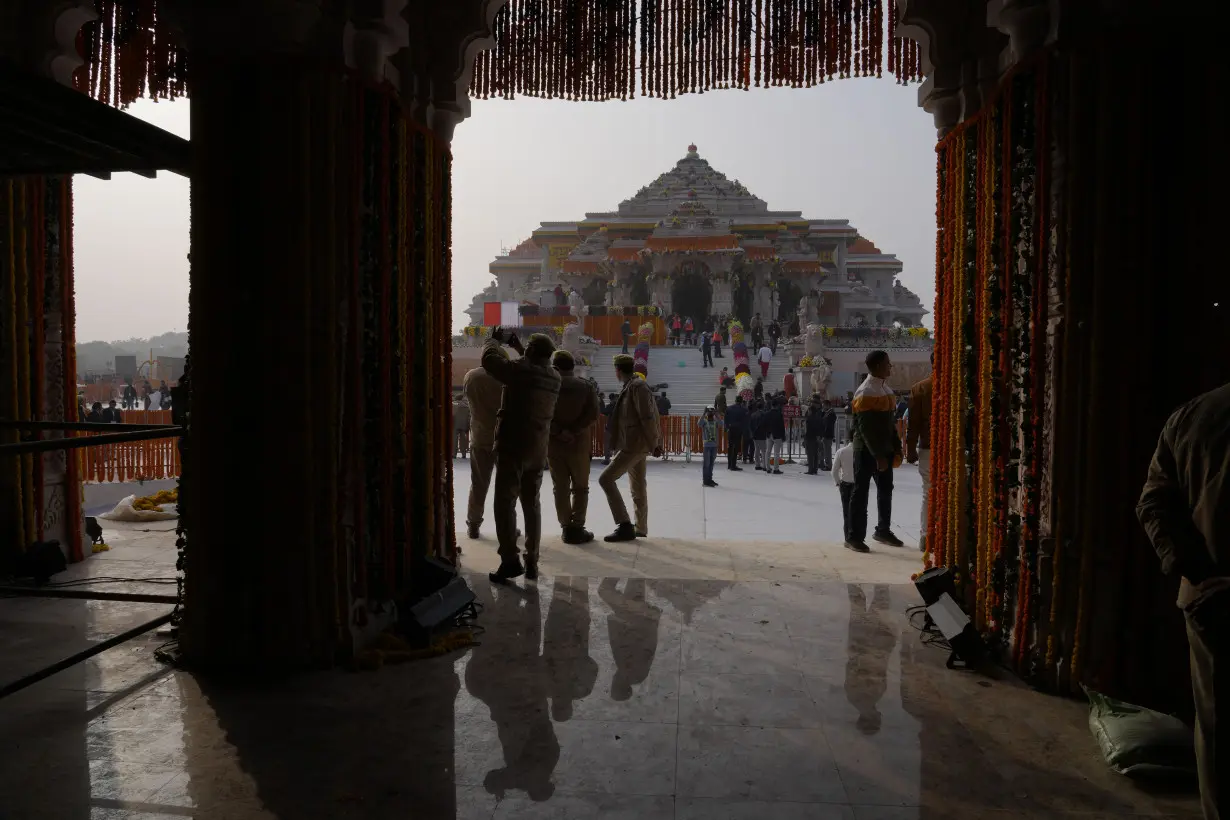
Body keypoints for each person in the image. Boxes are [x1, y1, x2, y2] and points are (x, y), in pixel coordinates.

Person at [1137, 382, 1230, 820]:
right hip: (1212, 597)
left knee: (1215, 730)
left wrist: (1201, 574)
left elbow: (1155, 502)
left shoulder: (1196, 414)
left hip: (1210, 600)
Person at [481, 328, 561, 582]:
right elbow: (530, 367)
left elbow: (490, 361)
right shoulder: (554, 377)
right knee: (532, 504)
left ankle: (510, 560)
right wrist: (520, 348)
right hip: (538, 448)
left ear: (532, 352)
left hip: (513, 445)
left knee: (505, 504)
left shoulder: (520, 372)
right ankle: (532, 560)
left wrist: (493, 341)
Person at [599, 354, 662, 541]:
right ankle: (640, 527)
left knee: (606, 479)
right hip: (634, 443)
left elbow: (648, 417)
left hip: (635, 445)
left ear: (617, 370)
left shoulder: (638, 387)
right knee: (638, 487)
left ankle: (624, 524)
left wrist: (655, 444)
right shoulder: (631, 386)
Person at [848, 350, 904, 553]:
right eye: (888, 364)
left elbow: (891, 425)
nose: (891, 367)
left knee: (886, 490)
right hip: (866, 451)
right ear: (879, 366)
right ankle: (854, 537)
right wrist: (878, 456)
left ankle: (883, 530)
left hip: (884, 449)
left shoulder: (886, 390)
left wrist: (896, 448)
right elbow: (865, 429)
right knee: (861, 492)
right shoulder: (866, 392)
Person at [548, 350, 600, 545]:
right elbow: (593, 414)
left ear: (555, 366)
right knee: (580, 487)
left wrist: (559, 432)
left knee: (559, 487)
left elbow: (542, 413)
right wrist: (574, 431)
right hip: (578, 444)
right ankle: (577, 527)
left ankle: (565, 526)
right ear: (573, 366)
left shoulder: (549, 387)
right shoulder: (585, 387)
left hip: (554, 444)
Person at [464, 345, 510, 540]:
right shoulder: (507, 378)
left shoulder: (471, 376)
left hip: (480, 436)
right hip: (504, 438)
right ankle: (506, 527)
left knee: (478, 483)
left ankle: (473, 524)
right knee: (506, 487)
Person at [906, 354, 934, 554]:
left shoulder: (921, 388)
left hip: (927, 446)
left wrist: (910, 449)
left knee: (929, 492)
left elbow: (913, 424)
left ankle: (926, 536)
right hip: (954, 448)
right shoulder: (960, 386)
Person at [833, 434, 856, 544]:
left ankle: (847, 538)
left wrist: (838, 482)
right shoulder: (861, 453)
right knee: (858, 512)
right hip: (858, 485)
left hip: (845, 485)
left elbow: (834, 471)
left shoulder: (841, 451)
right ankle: (857, 537)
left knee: (846, 512)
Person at [724, 394, 748, 471]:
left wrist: (726, 427)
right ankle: (733, 465)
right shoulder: (744, 410)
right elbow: (745, 421)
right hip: (739, 430)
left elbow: (726, 419)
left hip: (731, 429)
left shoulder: (729, 408)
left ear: (735, 400)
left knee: (730, 447)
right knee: (736, 447)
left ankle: (729, 464)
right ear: (741, 401)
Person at [803, 395, 826, 475]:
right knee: (816, 454)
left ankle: (810, 470)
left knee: (810, 454)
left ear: (810, 411)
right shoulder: (818, 417)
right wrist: (819, 436)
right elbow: (822, 426)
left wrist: (805, 438)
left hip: (810, 437)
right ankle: (815, 469)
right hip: (817, 437)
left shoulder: (810, 419)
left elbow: (808, 429)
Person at [699, 407, 720, 488]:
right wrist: (703, 414)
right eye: (709, 412)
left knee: (711, 463)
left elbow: (722, 424)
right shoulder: (704, 422)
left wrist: (717, 415)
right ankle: (705, 481)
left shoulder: (715, 422)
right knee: (706, 463)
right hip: (707, 446)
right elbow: (699, 424)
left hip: (714, 446)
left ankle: (710, 479)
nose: (710, 414)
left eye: (711, 412)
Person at [766, 396, 785, 475]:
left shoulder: (767, 413)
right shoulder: (779, 414)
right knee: (777, 453)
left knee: (768, 451)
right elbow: (781, 426)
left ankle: (767, 468)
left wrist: (767, 432)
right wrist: (783, 436)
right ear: (777, 405)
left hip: (769, 434)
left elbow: (765, 424)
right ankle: (776, 469)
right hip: (777, 435)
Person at [750, 400, 769, 472]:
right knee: (764, 451)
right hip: (762, 434)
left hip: (755, 435)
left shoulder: (753, 415)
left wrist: (752, 433)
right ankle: (764, 465)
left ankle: (757, 465)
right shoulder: (764, 414)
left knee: (757, 450)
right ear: (763, 407)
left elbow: (751, 425)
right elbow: (766, 425)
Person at [820, 398, 837, 471]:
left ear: (828, 405)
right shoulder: (827, 413)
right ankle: (826, 464)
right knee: (825, 450)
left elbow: (828, 426)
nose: (823, 407)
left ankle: (828, 465)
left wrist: (824, 435)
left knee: (827, 451)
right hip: (826, 434)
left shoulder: (831, 414)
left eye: (824, 406)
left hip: (827, 434)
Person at [453, 395, 471, 459]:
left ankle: (454, 454)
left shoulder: (453, 405)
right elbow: (469, 417)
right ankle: (464, 454)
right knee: (463, 440)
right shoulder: (467, 406)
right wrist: (468, 425)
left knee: (454, 439)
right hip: (464, 425)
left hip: (455, 424)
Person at [601, 391, 617, 464]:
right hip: (618, 428)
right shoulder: (621, 406)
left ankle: (607, 458)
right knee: (618, 443)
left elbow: (603, 412)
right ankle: (617, 459)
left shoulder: (610, 406)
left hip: (610, 427)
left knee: (607, 443)